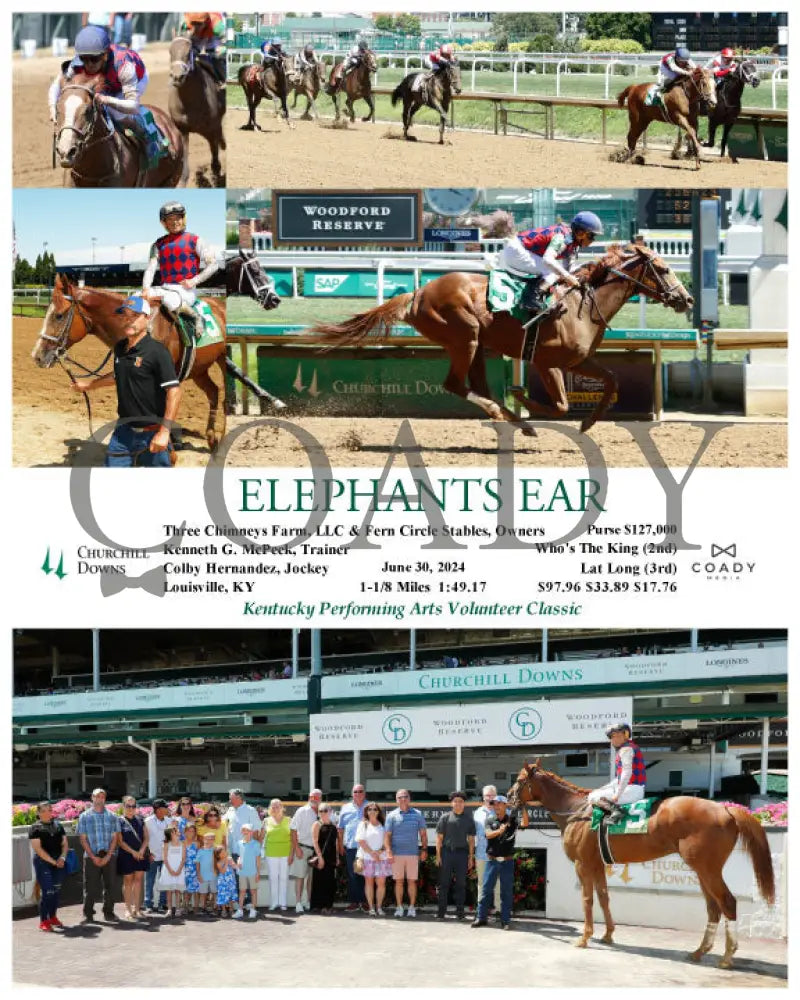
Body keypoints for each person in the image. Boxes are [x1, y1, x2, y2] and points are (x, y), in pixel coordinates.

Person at [70, 295, 181, 468]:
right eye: (125, 316)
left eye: (135, 316)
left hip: (152, 432)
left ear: (147, 317)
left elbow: (174, 391)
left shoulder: (157, 352)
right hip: (123, 432)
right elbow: (119, 374)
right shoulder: (120, 347)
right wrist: (89, 385)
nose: (129, 321)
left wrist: (164, 432)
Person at [47, 25, 161, 165]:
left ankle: (146, 136)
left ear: (105, 55)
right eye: (84, 58)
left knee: (117, 113)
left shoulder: (124, 66)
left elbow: (133, 106)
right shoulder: (76, 63)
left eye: (94, 59)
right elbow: (56, 86)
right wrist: (53, 107)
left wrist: (107, 100)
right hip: (106, 81)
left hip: (134, 80)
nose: (88, 64)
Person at [142, 202, 220, 346]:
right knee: (135, 299)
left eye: (177, 218)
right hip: (165, 288)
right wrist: (145, 288)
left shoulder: (195, 240)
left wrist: (194, 280)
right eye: (170, 220)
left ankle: (197, 317)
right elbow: (150, 268)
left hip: (185, 290)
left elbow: (214, 265)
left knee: (168, 300)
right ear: (164, 223)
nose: (174, 222)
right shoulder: (158, 244)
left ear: (183, 219)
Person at [498, 211, 604, 313]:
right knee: (553, 272)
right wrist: (567, 276)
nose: (592, 240)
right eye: (591, 236)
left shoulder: (573, 243)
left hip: (520, 250)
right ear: (580, 233)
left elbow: (568, 269)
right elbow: (548, 259)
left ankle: (539, 295)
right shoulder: (562, 237)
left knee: (558, 273)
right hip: (515, 250)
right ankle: (530, 300)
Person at [471, 795, 517, 931]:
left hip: (507, 862)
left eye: (499, 804)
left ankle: (505, 920)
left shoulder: (512, 820)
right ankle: (481, 918)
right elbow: (488, 834)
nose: (496, 806)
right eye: (494, 804)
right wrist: (500, 830)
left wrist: (523, 809)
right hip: (492, 861)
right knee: (485, 890)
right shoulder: (490, 819)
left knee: (506, 892)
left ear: (505, 805)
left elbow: (525, 823)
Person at [76, 788, 121, 923]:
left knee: (111, 886)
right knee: (90, 887)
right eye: (97, 796)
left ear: (105, 799)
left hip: (109, 856)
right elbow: (83, 839)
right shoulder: (84, 816)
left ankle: (109, 912)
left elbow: (115, 838)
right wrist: (92, 856)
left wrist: (108, 855)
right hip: (91, 856)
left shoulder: (112, 816)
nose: (100, 799)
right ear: (92, 798)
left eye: (102, 797)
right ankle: (88, 913)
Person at [588, 722, 646, 823]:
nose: (613, 739)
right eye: (611, 737)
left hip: (631, 791)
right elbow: (619, 779)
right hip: (634, 789)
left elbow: (626, 773)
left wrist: (617, 795)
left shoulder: (625, 749)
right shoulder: (630, 747)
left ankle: (616, 811)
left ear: (626, 735)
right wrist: (602, 788)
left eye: (616, 736)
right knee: (595, 793)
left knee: (592, 797)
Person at [384, 789, 428, 918]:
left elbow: (423, 835)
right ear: (396, 800)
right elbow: (387, 836)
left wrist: (424, 849)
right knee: (398, 882)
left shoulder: (418, 814)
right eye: (400, 797)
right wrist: (389, 851)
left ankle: (412, 908)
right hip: (396, 854)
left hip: (412, 854)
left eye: (405, 796)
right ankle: (399, 907)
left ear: (409, 798)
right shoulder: (391, 815)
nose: (403, 799)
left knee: (412, 882)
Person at [435, 791, 475, 921]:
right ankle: (441, 912)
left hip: (462, 854)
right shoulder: (445, 818)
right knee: (444, 884)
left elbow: (471, 840)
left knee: (461, 885)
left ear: (464, 804)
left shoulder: (468, 819)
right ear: (451, 803)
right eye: (455, 801)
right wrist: (438, 856)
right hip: (447, 853)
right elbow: (439, 839)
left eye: (461, 801)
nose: (458, 803)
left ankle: (460, 912)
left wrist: (470, 857)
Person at [29, 801, 68, 932]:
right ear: (38, 813)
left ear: (52, 811)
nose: (46, 813)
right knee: (48, 892)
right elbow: (38, 849)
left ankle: (53, 917)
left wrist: (62, 858)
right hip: (43, 863)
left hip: (59, 862)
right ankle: (43, 921)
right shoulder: (35, 828)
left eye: (48, 810)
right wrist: (53, 861)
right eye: (43, 811)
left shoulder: (58, 825)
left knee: (56, 891)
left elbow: (65, 844)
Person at [116, 796, 150, 920]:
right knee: (128, 882)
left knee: (138, 881)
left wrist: (141, 850)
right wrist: (133, 852)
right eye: (128, 806)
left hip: (140, 855)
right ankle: (128, 909)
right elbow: (120, 841)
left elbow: (146, 837)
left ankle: (137, 908)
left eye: (133, 806)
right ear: (123, 807)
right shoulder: (119, 821)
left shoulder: (141, 820)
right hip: (126, 855)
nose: (131, 808)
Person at [356, 801, 392, 916]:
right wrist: (372, 853)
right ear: (366, 811)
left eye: (375, 809)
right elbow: (361, 841)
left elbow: (388, 839)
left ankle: (379, 908)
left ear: (378, 812)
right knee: (369, 883)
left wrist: (380, 852)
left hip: (382, 858)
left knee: (381, 883)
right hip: (368, 858)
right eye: (370, 809)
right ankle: (371, 908)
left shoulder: (383, 824)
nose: (372, 811)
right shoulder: (363, 824)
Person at [289, 788, 322, 913]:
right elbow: (292, 830)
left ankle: (308, 902)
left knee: (312, 879)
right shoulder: (302, 811)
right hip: (302, 848)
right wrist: (296, 848)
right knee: (300, 877)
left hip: (316, 850)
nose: (314, 799)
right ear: (309, 797)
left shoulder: (322, 811)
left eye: (317, 797)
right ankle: (298, 902)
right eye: (312, 796)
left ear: (320, 799)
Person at [337, 782, 367, 910]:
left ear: (364, 793)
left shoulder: (370, 806)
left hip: (367, 848)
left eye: (360, 791)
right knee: (352, 874)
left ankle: (366, 902)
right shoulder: (345, 808)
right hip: (350, 847)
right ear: (352, 794)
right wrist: (340, 846)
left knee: (366, 874)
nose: (358, 794)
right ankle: (355, 902)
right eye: (355, 792)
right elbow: (340, 829)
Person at [474, 785, 502, 916]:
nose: (489, 798)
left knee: (497, 884)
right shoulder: (477, 812)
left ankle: (498, 911)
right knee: (481, 884)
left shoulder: (502, 811)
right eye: (487, 795)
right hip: (481, 854)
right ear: (483, 797)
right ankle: (481, 912)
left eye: (492, 795)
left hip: (498, 855)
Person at [182, 13, 226, 85]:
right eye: (194, 23)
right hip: (196, 36)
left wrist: (223, 48)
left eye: (199, 23)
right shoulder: (186, 24)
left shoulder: (217, 26)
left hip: (212, 36)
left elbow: (228, 41)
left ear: (206, 21)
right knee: (187, 53)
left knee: (216, 56)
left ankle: (223, 79)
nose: (196, 26)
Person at [309, 804, 339, 914]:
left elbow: (335, 843)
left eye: (325, 810)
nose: (322, 813)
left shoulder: (333, 826)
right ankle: (319, 906)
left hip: (331, 857)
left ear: (330, 811)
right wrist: (320, 858)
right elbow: (315, 842)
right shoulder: (317, 824)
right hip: (320, 855)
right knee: (320, 881)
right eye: (320, 811)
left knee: (330, 882)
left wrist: (337, 857)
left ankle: (328, 906)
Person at [143, 797, 171, 912]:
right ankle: (148, 904)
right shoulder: (147, 821)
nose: (167, 809)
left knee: (164, 880)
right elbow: (144, 838)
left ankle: (162, 904)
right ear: (158, 809)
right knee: (149, 880)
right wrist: (148, 853)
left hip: (166, 857)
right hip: (152, 856)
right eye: (165, 807)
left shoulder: (169, 821)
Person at [264, 798, 292, 911]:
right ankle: (274, 902)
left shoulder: (289, 820)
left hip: (286, 852)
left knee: (284, 878)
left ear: (282, 807)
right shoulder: (266, 821)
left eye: (277, 806)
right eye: (273, 806)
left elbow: (293, 837)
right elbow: (262, 837)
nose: (275, 808)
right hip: (271, 852)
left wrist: (291, 854)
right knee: (273, 878)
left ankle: (283, 903)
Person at [233, 824, 261, 919]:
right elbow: (239, 856)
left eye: (247, 830)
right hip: (242, 872)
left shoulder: (256, 844)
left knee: (253, 891)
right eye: (244, 830)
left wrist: (258, 873)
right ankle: (240, 910)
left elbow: (258, 859)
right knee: (242, 891)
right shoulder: (239, 843)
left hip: (253, 872)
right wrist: (238, 861)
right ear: (242, 832)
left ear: (251, 832)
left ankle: (253, 910)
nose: (246, 832)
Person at [160, 825, 186, 917]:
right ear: (171, 834)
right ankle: (170, 909)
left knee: (178, 890)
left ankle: (178, 909)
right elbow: (165, 859)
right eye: (176, 831)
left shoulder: (182, 844)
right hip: (168, 869)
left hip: (179, 869)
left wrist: (178, 870)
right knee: (169, 891)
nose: (178, 833)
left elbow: (183, 859)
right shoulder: (166, 844)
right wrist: (170, 870)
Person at [196, 831, 217, 914]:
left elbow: (219, 861)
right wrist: (198, 874)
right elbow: (197, 863)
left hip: (214, 875)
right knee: (203, 893)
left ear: (214, 840)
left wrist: (217, 872)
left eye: (212, 839)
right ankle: (203, 908)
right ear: (204, 840)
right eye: (207, 839)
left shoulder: (215, 850)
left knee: (214, 892)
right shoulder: (200, 851)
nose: (209, 841)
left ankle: (215, 908)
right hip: (203, 876)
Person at [214, 844, 237, 917]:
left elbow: (234, 866)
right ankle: (223, 910)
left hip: (231, 880)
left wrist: (236, 864)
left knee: (230, 895)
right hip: (223, 882)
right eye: (222, 852)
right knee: (223, 895)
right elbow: (223, 871)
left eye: (224, 851)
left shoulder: (229, 858)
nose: (224, 853)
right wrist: (226, 862)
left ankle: (231, 909)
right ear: (218, 855)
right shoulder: (219, 863)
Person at [183, 823, 201, 915]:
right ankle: (185, 906)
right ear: (185, 832)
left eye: (193, 831)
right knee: (186, 890)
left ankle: (196, 907)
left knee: (196, 889)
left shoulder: (197, 843)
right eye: (189, 831)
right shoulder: (182, 843)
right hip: (185, 868)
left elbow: (199, 858)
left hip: (195, 868)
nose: (191, 833)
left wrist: (198, 871)